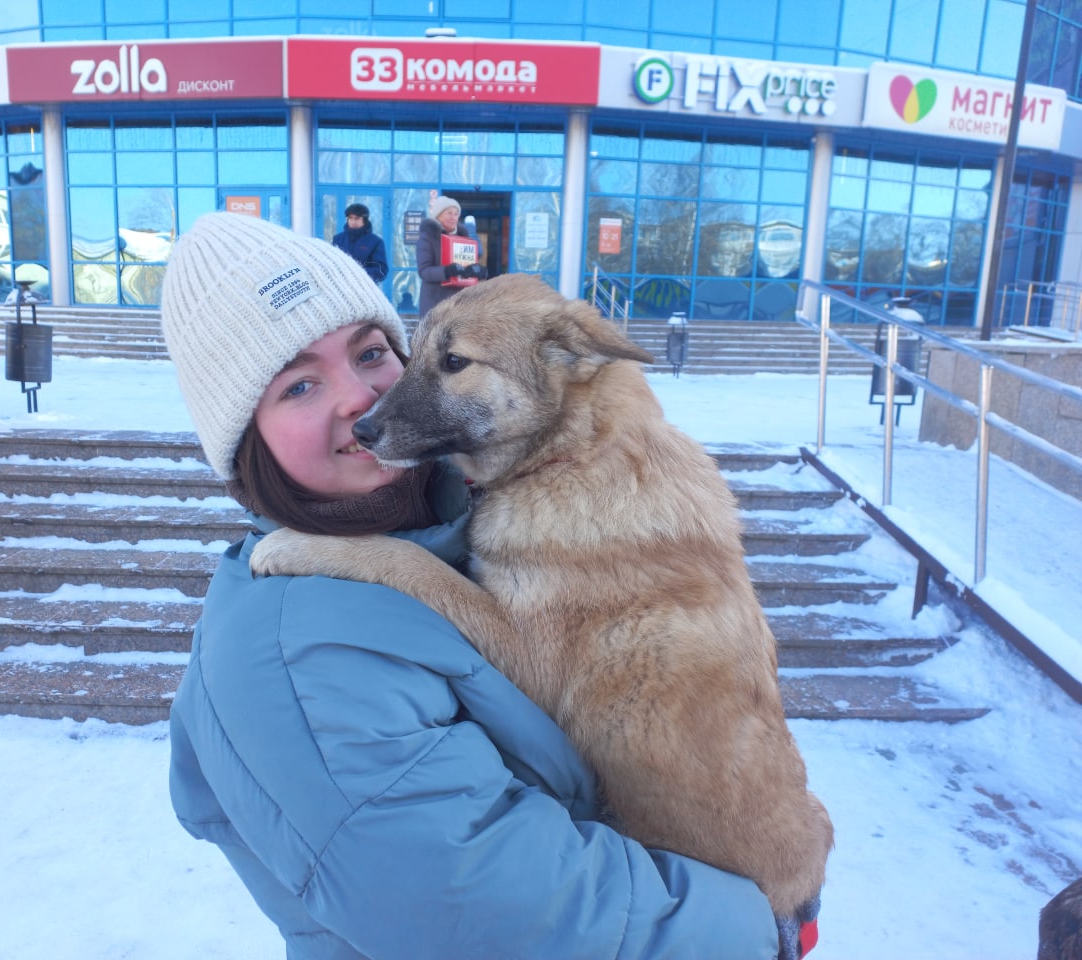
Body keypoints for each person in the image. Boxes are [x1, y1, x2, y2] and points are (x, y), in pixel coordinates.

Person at [159, 211, 778, 960]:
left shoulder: (451, 518)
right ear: (243, 441)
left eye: (373, 351)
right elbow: (505, 914)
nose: (361, 400)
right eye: (297, 386)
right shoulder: (296, 659)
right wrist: (761, 923)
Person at [415, 194, 485, 318]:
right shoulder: (427, 238)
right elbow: (424, 271)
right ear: (438, 215)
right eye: (449, 213)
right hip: (435, 303)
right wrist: (446, 271)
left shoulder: (465, 238)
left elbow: (468, 264)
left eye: (456, 213)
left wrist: (477, 271)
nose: (453, 217)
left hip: (461, 305)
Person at [331, 202, 388, 284]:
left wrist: (357, 273)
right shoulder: (338, 239)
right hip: (340, 286)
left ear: (364, 220)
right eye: (350, 218)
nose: (353, 221)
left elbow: (381, 270)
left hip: (365, 289)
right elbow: (331, 262)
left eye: (357, 218)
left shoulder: (375, 242)